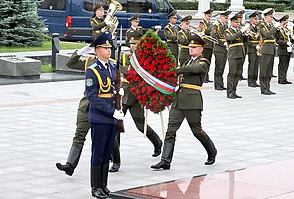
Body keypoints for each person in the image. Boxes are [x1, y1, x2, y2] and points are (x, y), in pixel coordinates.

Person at [151, 33, 217, 170]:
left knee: (196, 130)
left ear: (201, 49)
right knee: (171, 129)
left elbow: (196, 69)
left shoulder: (203, 61)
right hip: (179, 99)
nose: (190, 49)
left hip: (192, 100)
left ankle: (212, 151)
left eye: (194, 47)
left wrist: (178, 69)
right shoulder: (187, 61)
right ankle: (165, 160)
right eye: (190, 47)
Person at [109, 36, 163, 173]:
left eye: (135, 43)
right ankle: (115, 157)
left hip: (135, 94)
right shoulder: (129, 56)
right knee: (116, 124)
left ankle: (157, 143)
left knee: (140, 124)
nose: (133, 46)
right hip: (123, 93)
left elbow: (136, 73)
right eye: (131, 43)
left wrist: (120, 68)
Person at [85, 32, 123, 198]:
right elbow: (92, 96)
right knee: (98, 152)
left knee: (107, 153)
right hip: (100, 117)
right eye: (105, 48)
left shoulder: (113, 66)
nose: (109, 50)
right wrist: (111, 110)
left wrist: (119, 94)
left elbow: (114, 89)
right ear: (96, 51)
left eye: (109, 48)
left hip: (112, 117)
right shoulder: (92, 70)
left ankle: (104, 185)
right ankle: (95, 187)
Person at [56, 44, 96, 176]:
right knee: (79, 135)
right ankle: (70, 165)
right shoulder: (89, 62)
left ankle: (116, 160)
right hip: (86, 106)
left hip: (102, 108)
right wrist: (82, 51)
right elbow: (70, 63)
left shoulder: (113, 64)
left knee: (109, 138)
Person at [225, 14, 246, 99]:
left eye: (238, 22)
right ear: (231, 22)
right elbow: (231, 38)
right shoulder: (227, 31)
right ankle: (229, 92)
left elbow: (244, 42)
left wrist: (246, 35)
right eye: (236, 22)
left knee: (238, 74)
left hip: (241, 53)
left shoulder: (239, 30)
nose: (238, 23)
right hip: (233, 54)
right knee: (232, 73)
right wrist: (240, 32)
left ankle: (234, 91)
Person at [259, 8, 278, 95]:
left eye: (272, 17)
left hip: (272, 49)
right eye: (270, 17)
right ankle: (263, 88)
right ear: (266, 16)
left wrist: (278, 29)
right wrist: (274, 28)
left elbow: (275, 36)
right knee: (264, 70)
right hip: (266, 49)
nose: (272, 18)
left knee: (269, 70)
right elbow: (266, 35)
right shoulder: (262, 25)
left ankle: (268, 87)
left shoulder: (271, 25)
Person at [211, 10, 231, 90]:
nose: (226, 19)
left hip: (224, 49)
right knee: (218, 67)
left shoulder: (225, 26)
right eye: (225, 18)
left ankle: (221, 83)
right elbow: (213, 37)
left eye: (227, 18)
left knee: (222, 67)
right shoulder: (216, 25)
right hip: (219, 49)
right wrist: (222, 43)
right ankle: (217, 84)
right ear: (221, 17)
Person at [198, 9, 214, 83]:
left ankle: (206, 76)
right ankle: (203, 77)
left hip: (210, 45)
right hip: (205, 44)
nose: (209, 17)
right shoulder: (202, 23)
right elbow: (204, 31)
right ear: (205, 15)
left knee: (208, 61)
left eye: (210, 16)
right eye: (208, 16)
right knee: (204, 61)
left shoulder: (210, 23)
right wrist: (211, 28)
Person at [275, 14, 292, 85]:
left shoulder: (287, 30)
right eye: (285, 22)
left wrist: (292, 40)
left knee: (286, 64)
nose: (286, 24)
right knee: (282, 64)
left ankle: (284, 78)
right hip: (282, 49)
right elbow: (278, 40)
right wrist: (286, 43)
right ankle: (281, 78)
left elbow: (290, 39)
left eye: (287, 23)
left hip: (288, 49)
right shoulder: (279, 30)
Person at [247, 11, 261, 87]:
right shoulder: (249, 28)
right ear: (251, 20)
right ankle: (250, 81)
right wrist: (254, 45)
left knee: (256, 65)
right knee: (252, 65)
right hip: (251, 49)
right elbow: (247, 41)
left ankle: (255, 80)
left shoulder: (257, 28)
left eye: (257, 19)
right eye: (255, 19)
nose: (257, 20)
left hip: (258, 48)